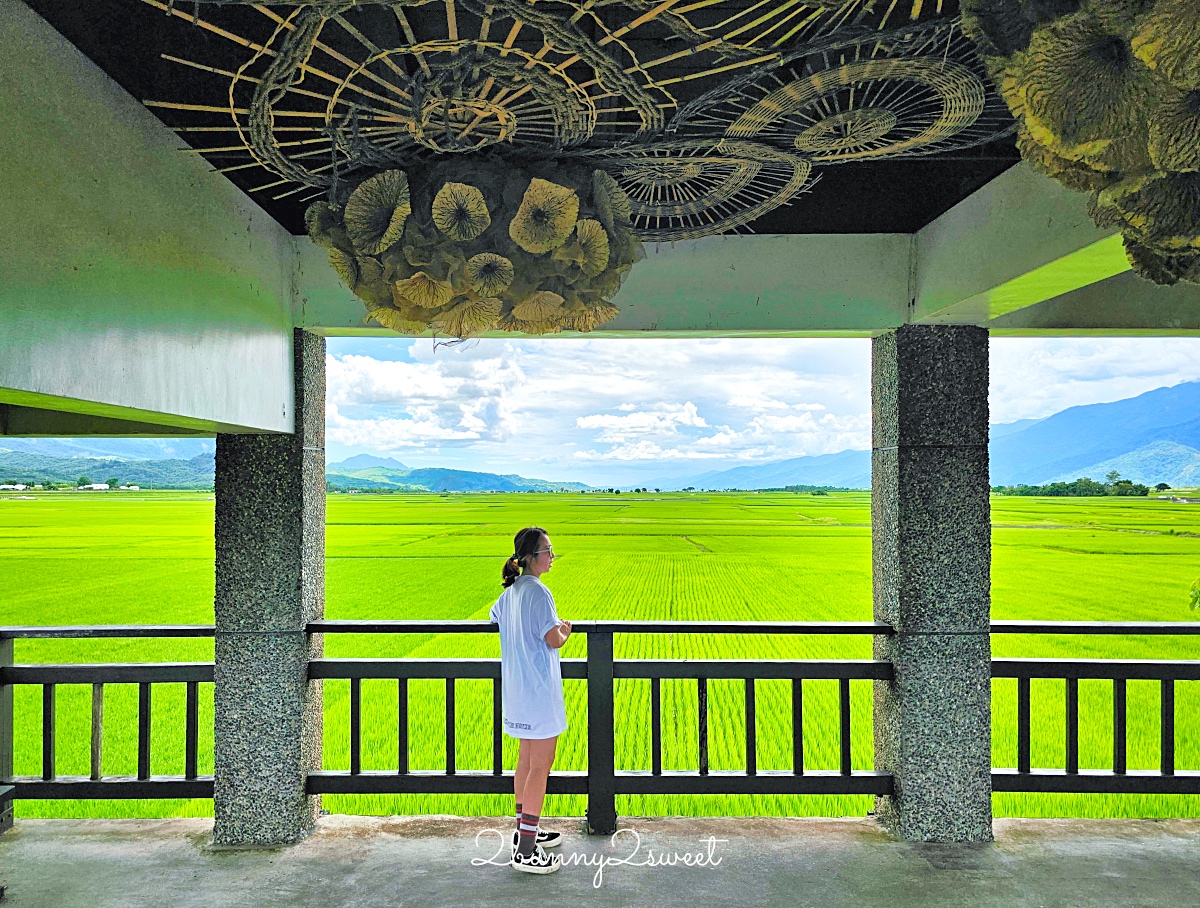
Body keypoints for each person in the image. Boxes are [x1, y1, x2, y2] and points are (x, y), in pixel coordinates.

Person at [489, 526, 573, 874]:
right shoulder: (539, 593)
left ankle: (525, 831)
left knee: (525, 761)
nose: (552, 556)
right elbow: (553, 639)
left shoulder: (510, 594)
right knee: (541, 764)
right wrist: (566, 629)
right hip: (539, 692)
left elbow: (493, 617)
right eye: (548, 551)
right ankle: (526, 851)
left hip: (517, 691)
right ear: (531, 558)